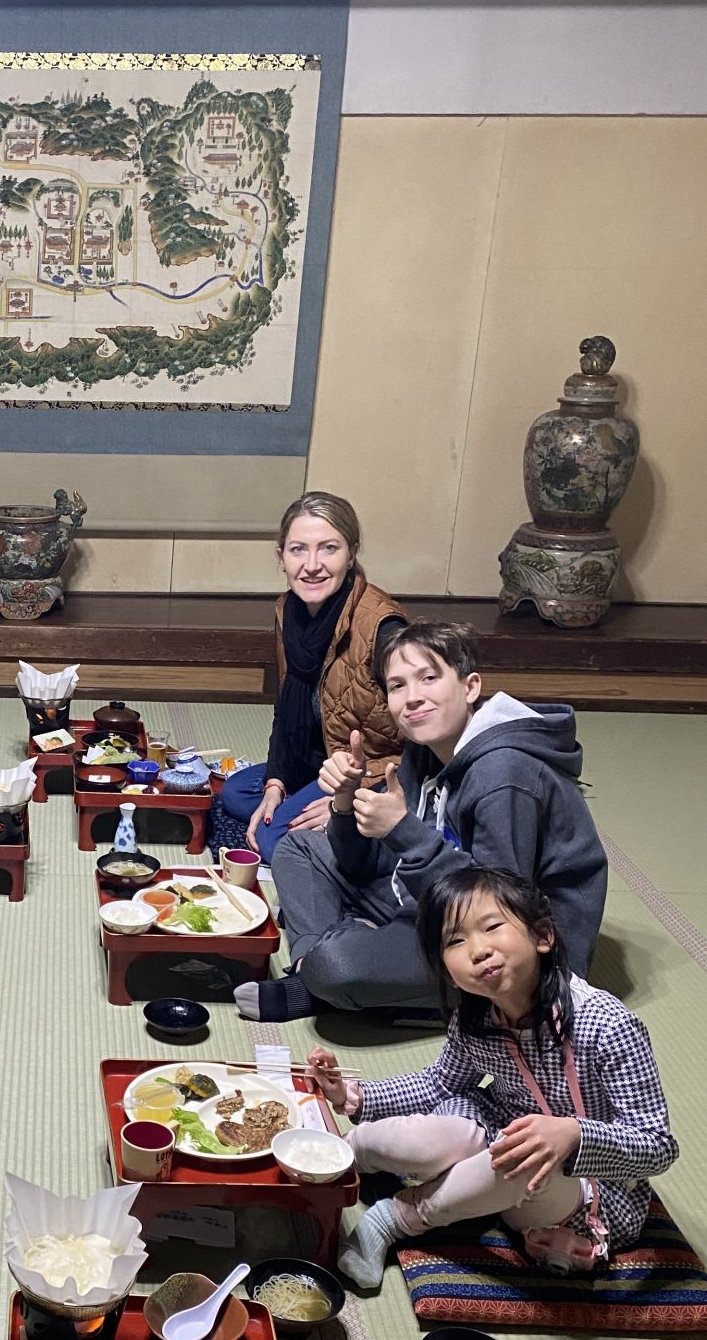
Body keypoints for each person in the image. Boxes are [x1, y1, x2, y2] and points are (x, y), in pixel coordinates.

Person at [309, 866, 676, 1290]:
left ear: (542, 936)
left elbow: (658, 1147)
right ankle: (347, 1154)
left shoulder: (608, 1024)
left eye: (492, 927)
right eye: (455, 940)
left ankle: (394, 1219)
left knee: (524, 1156)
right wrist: (352, 1094)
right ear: (445, 969)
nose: (478, 950)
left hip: (589, 1190)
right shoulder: (476, 1015)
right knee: (431, 1139)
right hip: (497, 1132)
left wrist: (572, 1135)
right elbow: (441, 1083)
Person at [237, 621, 608, 1022]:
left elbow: (497, 909)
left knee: (338, 965)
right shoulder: (425, 749)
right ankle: (314, 974)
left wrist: (402, 831)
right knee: (300, 847)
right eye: (397, 686)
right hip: (428, 899)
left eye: (428, 678)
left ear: (470, 687)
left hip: (514, 951)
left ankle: (335, 983)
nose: (412, 698)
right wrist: (345, 802)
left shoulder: (504, 775)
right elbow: (358, 864)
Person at [212, 492, 406, 860]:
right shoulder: (291, 610)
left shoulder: (383, 629)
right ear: (281, 555)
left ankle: (352, 824)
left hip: (375, 772)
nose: (312, 565)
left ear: (351, 553)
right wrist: (275, 782)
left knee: (274, 841)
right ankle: (300, 798)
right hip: (316, 760)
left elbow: (420, 744)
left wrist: (342, 798)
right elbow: (287, 711)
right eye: (298, 549)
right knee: (237, 793)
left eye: (328, 549)